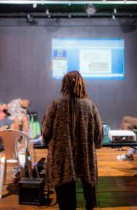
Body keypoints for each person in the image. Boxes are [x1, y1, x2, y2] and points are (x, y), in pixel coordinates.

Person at [42, 71, 103, 210]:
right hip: (85, 155)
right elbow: (98, 132)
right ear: (82, 84)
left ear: (64, 85)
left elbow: (46, 131)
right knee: (89, 186)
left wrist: (46, 142)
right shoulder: (90, 105)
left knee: (65, 195)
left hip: (62, 157)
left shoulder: (56, 105)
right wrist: (97, 144)